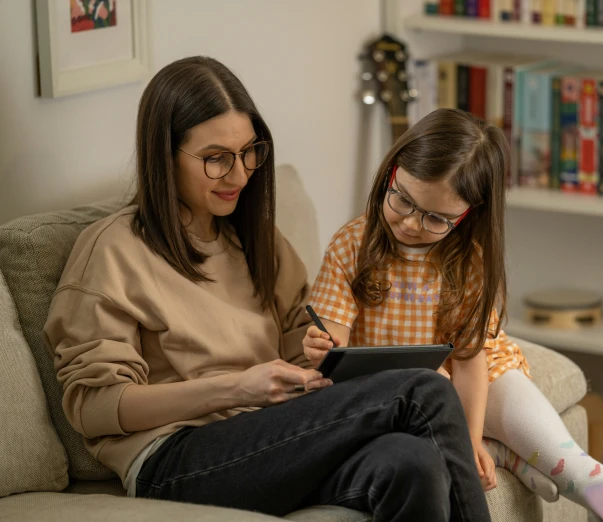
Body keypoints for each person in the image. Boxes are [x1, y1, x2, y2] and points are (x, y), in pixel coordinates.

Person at [44, 57, 491, 522]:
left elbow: (303, 346)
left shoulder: (254, 240)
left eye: (249, 152)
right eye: (216, 158)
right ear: (164, 154)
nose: (239, 175)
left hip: (269, 443)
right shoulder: (113, 249)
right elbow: (92, 409)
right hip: (173, 460)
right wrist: (236, 388)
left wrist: (323, 353)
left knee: (410, 463)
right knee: (421, 391)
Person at [304, 108, 603, 507]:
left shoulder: (469, 260)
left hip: (482, 370)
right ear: (390, 174)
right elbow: (335, 344)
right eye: (402, 199)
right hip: (407, 387)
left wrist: (469, 442)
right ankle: (502, 452)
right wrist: (322, 347)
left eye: (436, 218)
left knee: (566, 462)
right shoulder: (351, 244)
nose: (412, 224)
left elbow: (471, 363)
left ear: (469, 214)